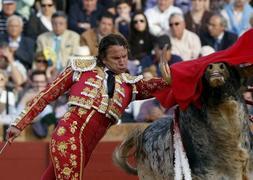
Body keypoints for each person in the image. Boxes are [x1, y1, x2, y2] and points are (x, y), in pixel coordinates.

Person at [6, 33, 170, 179]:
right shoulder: (81, 69)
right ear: (103, 58)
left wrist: (172, 77)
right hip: (67, 136)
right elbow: (47, 94)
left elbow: (158, 85)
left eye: (124, 56)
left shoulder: (130, 85)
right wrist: (19, 123)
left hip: (85, 149)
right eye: (116, 58)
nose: (122, 62)